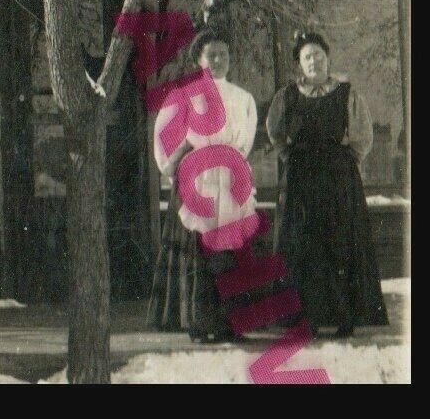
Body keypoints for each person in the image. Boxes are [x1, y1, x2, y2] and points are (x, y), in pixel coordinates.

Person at [267, 31, 388, 338]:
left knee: (340, 242)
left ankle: (345, 317)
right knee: (305, 245)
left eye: (319, 55)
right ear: (300, 64)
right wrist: (289, 156)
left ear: (327, 58)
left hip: (337, 179)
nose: (314, 61)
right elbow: (275, 132)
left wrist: (346, 162)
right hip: (301, 181)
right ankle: (309, 317)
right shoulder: (289, 96)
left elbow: (363, 136)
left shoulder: (346, 92)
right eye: (308, 57)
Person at [147, 28, 258, 343]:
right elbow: (164, 137)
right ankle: (198, 322)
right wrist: (179, 165)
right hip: (195, 178)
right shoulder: (183, 95)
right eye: (212, 54)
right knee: (197, 251)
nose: (218, 60)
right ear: (199, 59)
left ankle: (229, 324)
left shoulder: (243, 97)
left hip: (229, 176)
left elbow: (246, 139)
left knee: (229, 251)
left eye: (223, 53)